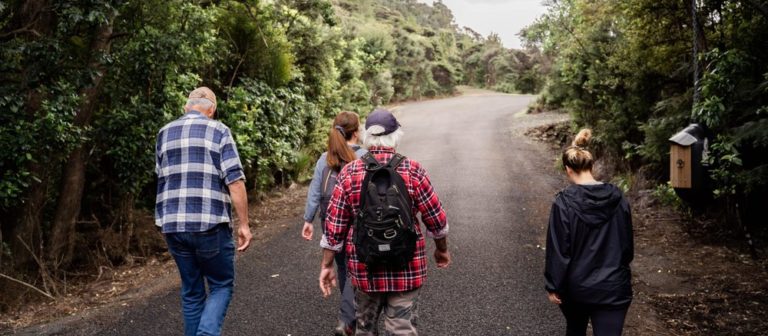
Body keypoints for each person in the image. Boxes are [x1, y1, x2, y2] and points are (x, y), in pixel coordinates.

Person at [318, 109, 451, 336]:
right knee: (402, 329)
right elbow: (436, 220)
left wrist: (327, 265)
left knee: (365, 329)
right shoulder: (413, 170)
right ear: (396, 135)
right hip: (407, 267)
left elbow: (334, 228)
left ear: (366, 136)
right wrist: (442, 250)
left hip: (365, 269)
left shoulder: (350, 172)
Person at [155, 87, 252, 336]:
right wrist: (244, 225)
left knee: (191, 291)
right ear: (212, 110)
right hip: (210, 225)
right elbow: (235, 181)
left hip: (173, 225)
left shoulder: (164, 133)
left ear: (187, 107)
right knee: (221, 285)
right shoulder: (219, 130)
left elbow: (162, 176)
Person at [544, 129, 634, 336]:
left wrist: (554, 285)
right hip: (613, 286)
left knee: (575, 330)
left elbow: (559, 250)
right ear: (591, 166)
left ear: (568, 169)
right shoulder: (618, 197)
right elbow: (626, 246)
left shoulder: (563, 202)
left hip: (577, 289)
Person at [301, 111, 367, 336]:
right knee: (357, 264)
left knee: (342, 265)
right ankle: (350, 315)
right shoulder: (366, 156)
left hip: (331, 219)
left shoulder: (325, 158)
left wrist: (308, 219)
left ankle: (348, 311)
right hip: (360, 219)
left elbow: (315, 192)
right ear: (356, 132)